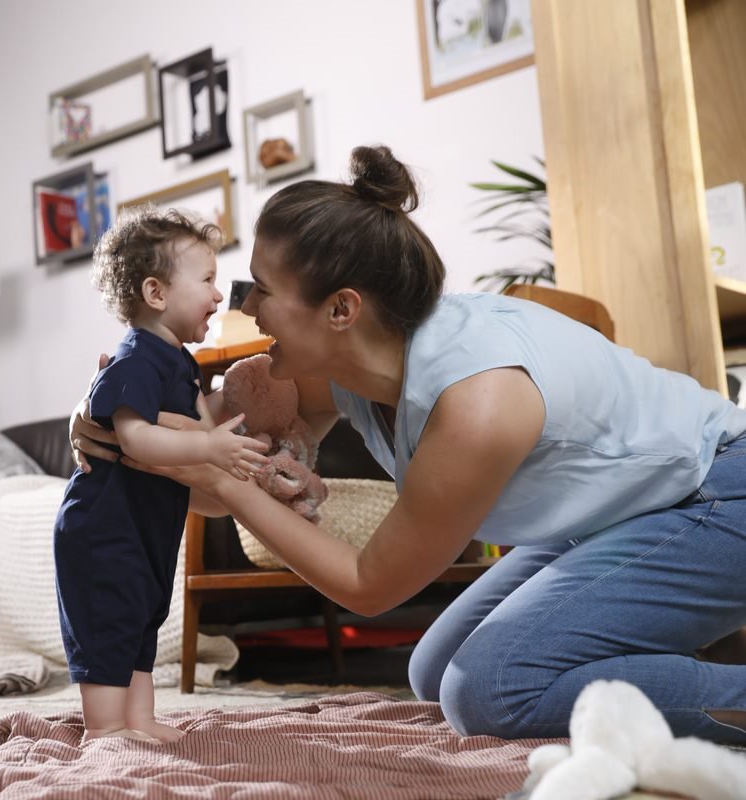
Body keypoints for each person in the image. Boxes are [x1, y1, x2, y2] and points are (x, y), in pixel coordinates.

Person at [70, 145, 746, 744]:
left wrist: (226, 480)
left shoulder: (478, 400)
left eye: (260, 289)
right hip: (607, 514)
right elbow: (185, 437)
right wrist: (99, 416)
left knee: (488, 689)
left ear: (341, 310)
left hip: (712, 496)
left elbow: (370, 590)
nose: (243, 306)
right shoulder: (345, 365)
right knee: (432, 671)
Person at [54, 207, 268, 742]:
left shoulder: (180, 363)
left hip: (145, 527)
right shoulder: (135, 362)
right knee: (110, 623)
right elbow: (135, 437)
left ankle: (141, 720)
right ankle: (105, 730)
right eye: (208, 281)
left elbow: (200, 422)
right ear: (156, 294)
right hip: (103, 529)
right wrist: (210, 445)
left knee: (143, 619)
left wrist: (235, 438)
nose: (219, 296)